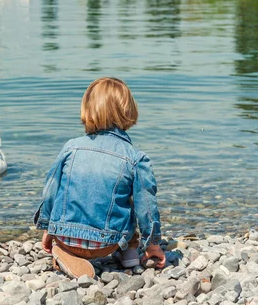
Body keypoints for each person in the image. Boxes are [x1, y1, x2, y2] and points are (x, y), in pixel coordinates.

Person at [33, 77, 166, 278]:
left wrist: (48, 229)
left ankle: (65, 251)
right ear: (129, 111)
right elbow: (147, 208)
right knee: (128, 198)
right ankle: (130, 251)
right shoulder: (135, 158)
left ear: (88, 110)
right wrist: (153, 245)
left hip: (65, 236)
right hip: (108, 243)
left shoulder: (71, 147)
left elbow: (51, 191)